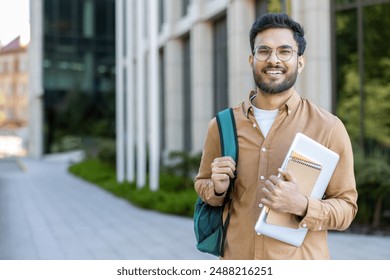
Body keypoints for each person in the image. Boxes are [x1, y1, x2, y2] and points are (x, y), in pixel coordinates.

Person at [194, 13, 358, 260]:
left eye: (284, 51)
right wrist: (216, 189)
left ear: (300, 62)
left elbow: (347, 208)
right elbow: (202, 184)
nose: (273, 60)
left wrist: (302, 206)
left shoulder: (328, 127)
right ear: (251, 59)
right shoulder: (222, 125)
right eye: (264, 51)